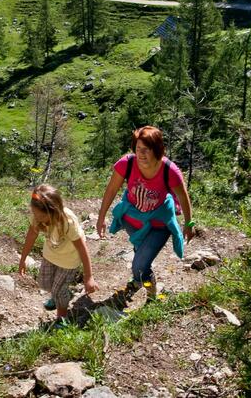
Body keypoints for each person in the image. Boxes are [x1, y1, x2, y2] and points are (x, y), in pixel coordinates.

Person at [95, 126, 196, 300]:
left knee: (140, 264)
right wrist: (101, 217)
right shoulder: (127, 164)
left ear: (157, 150)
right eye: (138, 149)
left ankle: (151, 293)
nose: (141, 154)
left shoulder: (169, 171)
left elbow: (183, 197)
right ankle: (139, 281)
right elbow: (111, 190)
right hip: (132, 220)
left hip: (159, 223)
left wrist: (188, 223)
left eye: (146, 150)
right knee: (141, 257)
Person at [18, 183, 99, 324]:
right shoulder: (37, 216)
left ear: (52, 212)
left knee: (59, 290)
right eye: (34, 213)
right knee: (44, 283)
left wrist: (89, 277)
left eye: (40, 216)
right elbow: (31, 235)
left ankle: (62, 319)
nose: (36, 218)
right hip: (51, 254)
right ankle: (60, 296)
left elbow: (82, 248)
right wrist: (23, 258)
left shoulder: (67, 222)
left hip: (69, 259)